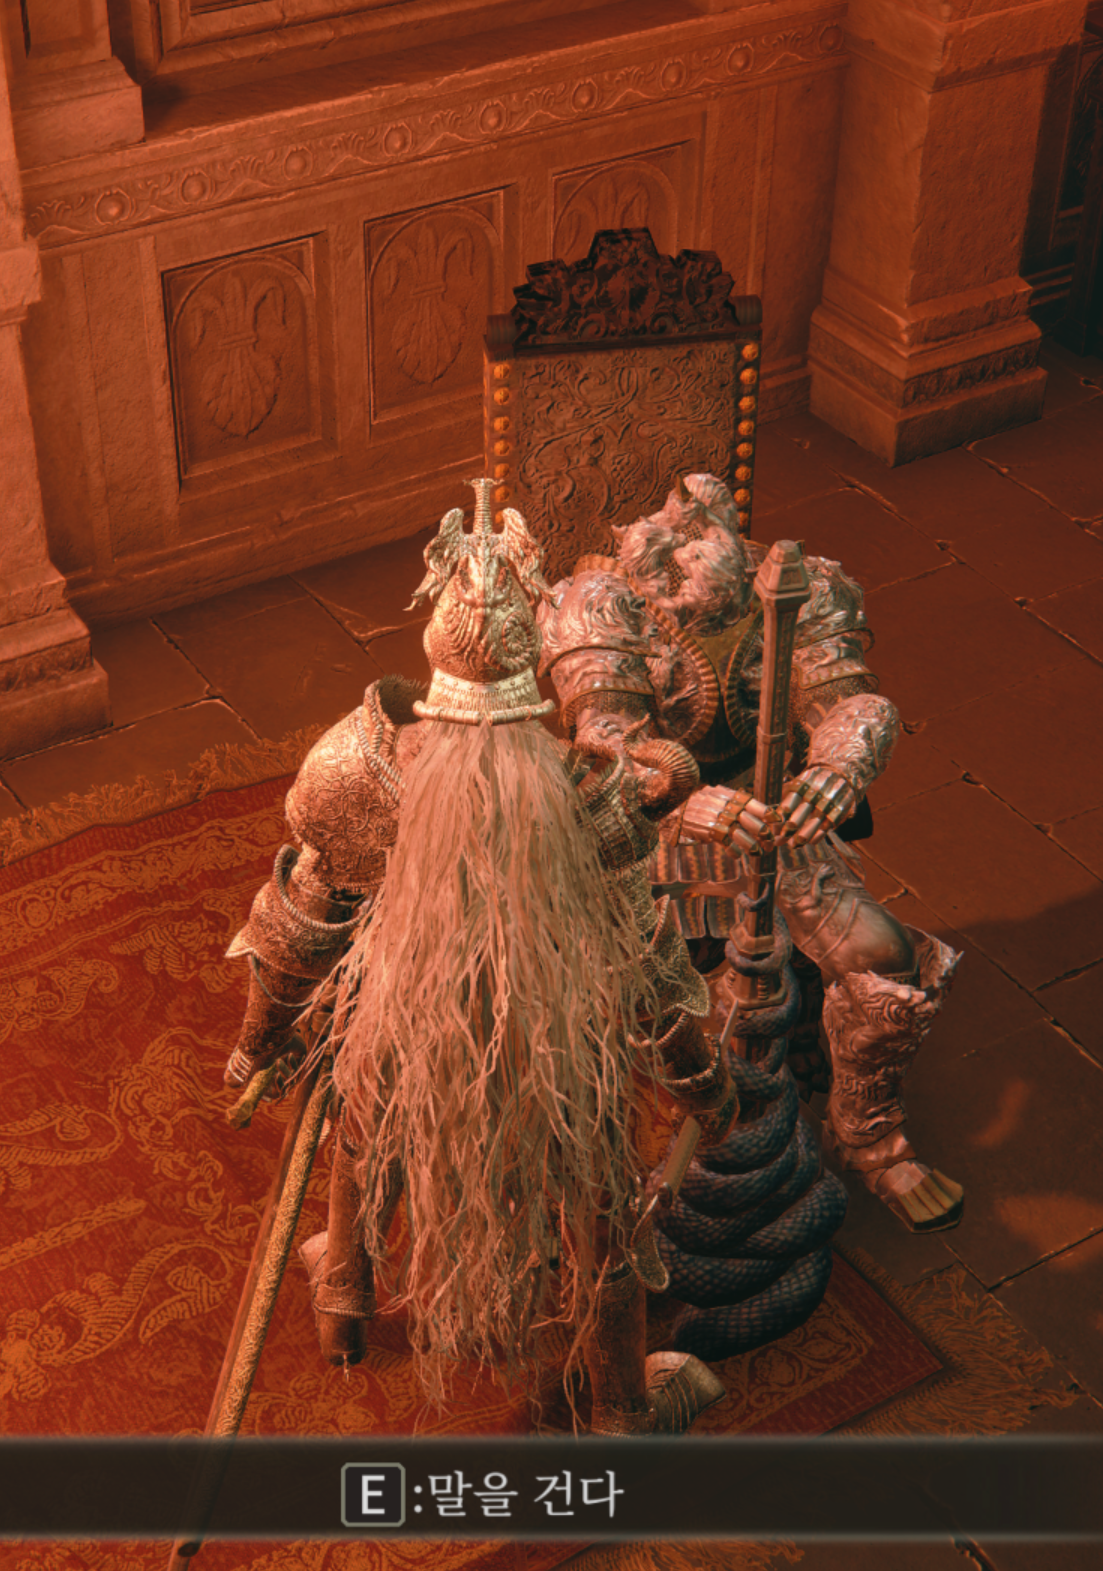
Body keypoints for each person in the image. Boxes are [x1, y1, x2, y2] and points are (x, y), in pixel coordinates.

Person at [221, 481, 734, 1434]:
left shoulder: (358, 765)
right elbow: (643, 967)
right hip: (551, 1056)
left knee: (365, 1088)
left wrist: (261, 1041)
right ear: (530, 671)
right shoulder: (590, 796)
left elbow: (300, 922)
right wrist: (705, 1082)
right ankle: (621, 1408)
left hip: (402, 1037)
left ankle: (346, 1293)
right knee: (600, 1194)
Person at [538, 472, 965, 1234]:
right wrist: (683, 799)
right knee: (610, 1004)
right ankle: (611, 1162)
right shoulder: (597, 606)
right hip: (648, 830)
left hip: (773, 817)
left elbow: (852, 703)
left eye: (698, 542)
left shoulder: (796, 590)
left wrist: (836, 769)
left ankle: (868, 1134)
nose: (678, 561)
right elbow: (606, 746)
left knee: (882, 956)